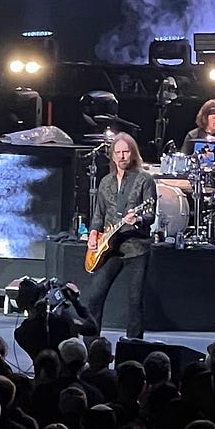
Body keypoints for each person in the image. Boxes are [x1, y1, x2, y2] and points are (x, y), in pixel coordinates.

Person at [83, 133, 156, 340]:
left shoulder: (145, 180)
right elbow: (98, 214)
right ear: (112, 156)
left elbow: (150, 214)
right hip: (110, 249)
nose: (122, 156)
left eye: (126, 151)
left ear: (132, 153)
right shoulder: (105, 182)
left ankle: (133, 348)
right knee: (94, 297)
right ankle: (91, 348)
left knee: (135, 302)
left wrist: (138, 220)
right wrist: (93, 235)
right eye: (118, 152)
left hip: (136, 248)